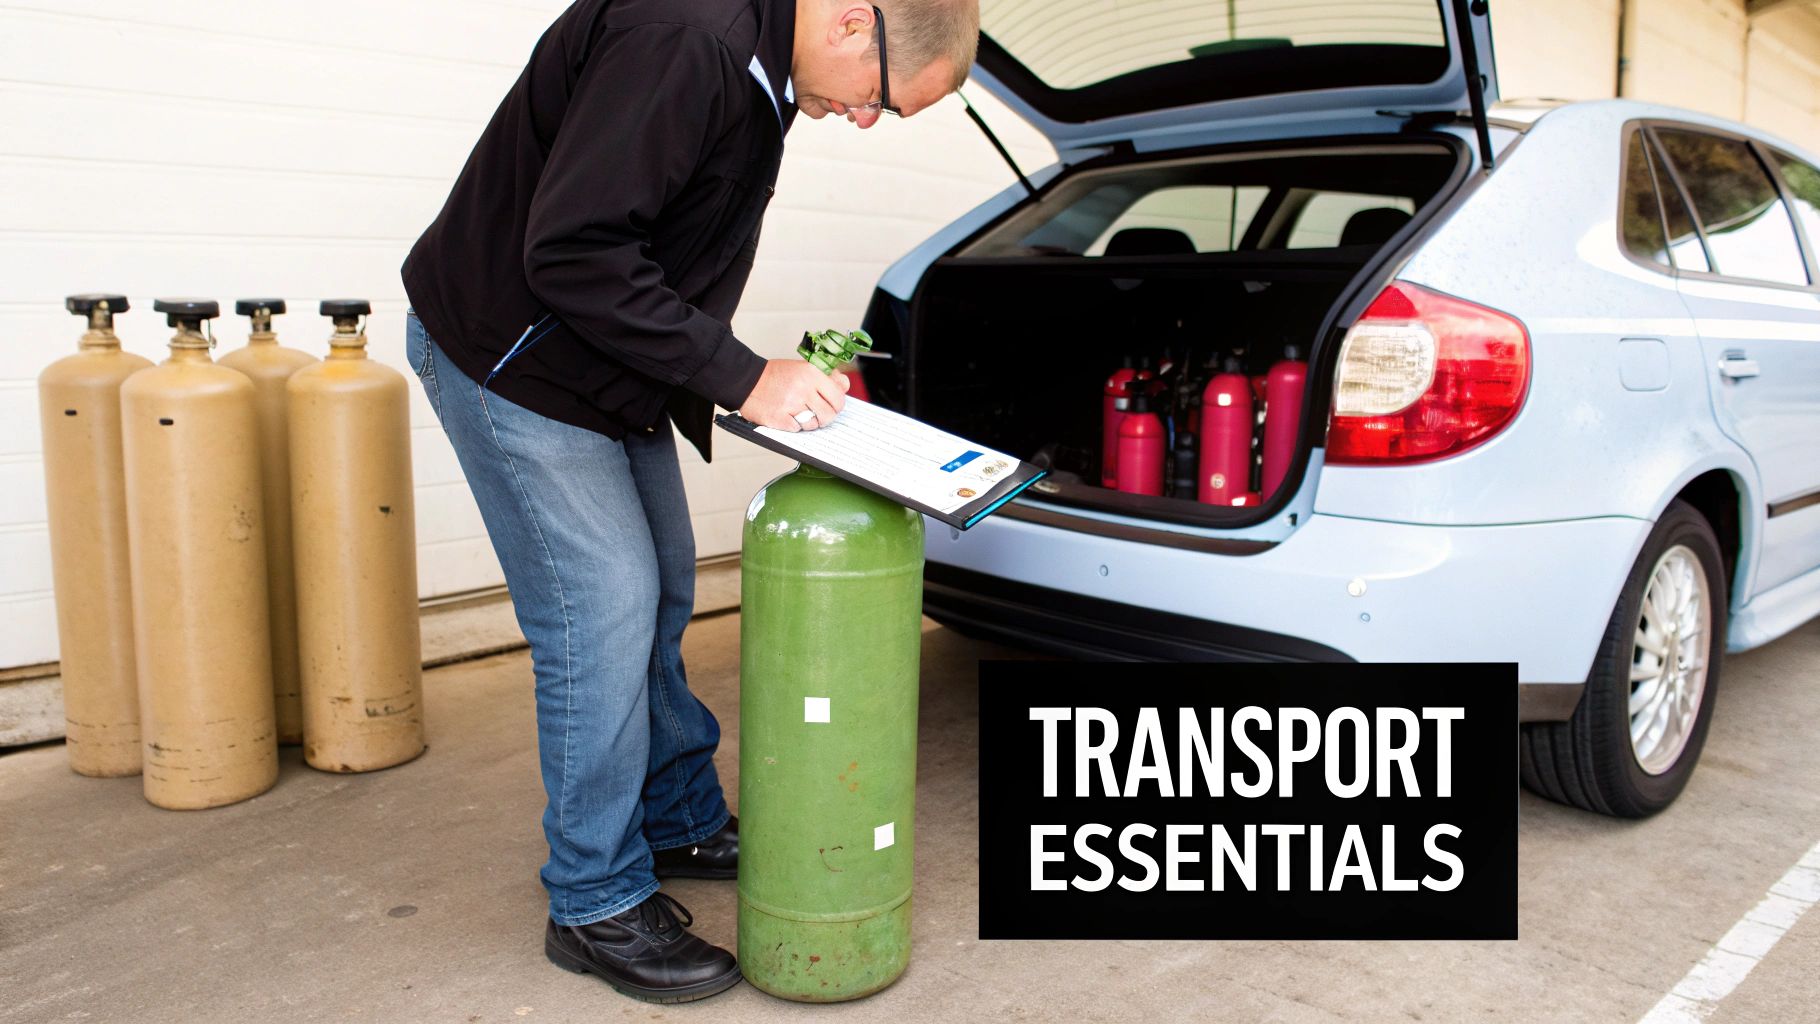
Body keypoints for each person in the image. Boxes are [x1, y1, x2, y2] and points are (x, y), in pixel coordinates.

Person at [400, 0, 980, 1005]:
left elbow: (660, 232)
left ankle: (675, 814)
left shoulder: (761, 63)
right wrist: (742, 376)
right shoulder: (691, 39)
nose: (867, 122)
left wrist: (734, 368)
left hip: (602, 363)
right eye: (883, 101)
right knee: (603, 614)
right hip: (514, 358)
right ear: (853, 23)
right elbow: (574, 250)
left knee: (666, 585)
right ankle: (592, 898)